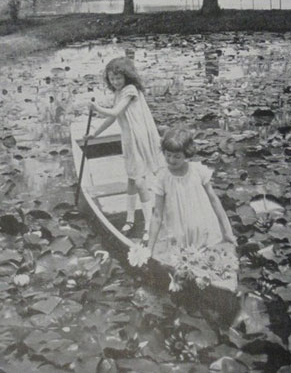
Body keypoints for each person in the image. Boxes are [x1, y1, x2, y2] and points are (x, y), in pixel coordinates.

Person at [85, 57, 163, 242]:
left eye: (119, 78)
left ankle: (148, 224)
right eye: (112, 79)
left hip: (138, 138)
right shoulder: (119, 93)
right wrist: (95, 133)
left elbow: (114, 112)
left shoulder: (130, 90)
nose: (115, 82)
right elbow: (112, 119)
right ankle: (129, 219)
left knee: (140, 181)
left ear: (127, 77)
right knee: (130, 179)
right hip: (128, 140)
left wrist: (96, 107)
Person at [148, 126, 236, 261]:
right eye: (168, 155)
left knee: (206, 261)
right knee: (182, 262)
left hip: (202, 227)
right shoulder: (162, 178)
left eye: (177, 156)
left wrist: (227, 231)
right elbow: (157, 214)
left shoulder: (198, 171)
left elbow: (214, 201)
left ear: (186, 154)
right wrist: (150, 248)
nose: (171, 160)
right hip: (178, 230)